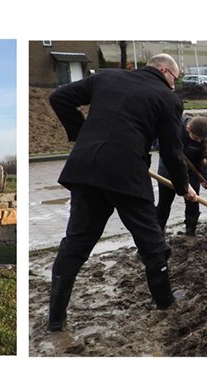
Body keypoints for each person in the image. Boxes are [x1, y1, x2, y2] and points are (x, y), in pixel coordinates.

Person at [46, 53, 197, 332]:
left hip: (85, 169)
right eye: (175, 79)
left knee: (76, 243)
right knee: (151, 241)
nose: (175, 85)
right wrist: (182, 187)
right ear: (165, 71)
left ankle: (56, 318)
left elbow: (59, 98)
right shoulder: (167, 99)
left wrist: (82, 135)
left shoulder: (106, 76)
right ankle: (165, 301)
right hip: (126, 174)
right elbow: (172, 151)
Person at [155, 116, 207, 236]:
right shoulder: (174, 128)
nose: (198, 141)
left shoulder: (205, 136)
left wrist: (205, 176)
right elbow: (158, 144)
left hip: (192, 172)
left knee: (193, 202)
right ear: (188, 128)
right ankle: (158, 233)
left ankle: (190, 232)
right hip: (169, 170)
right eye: (195, 138)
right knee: (164, 203)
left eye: (201, 139)